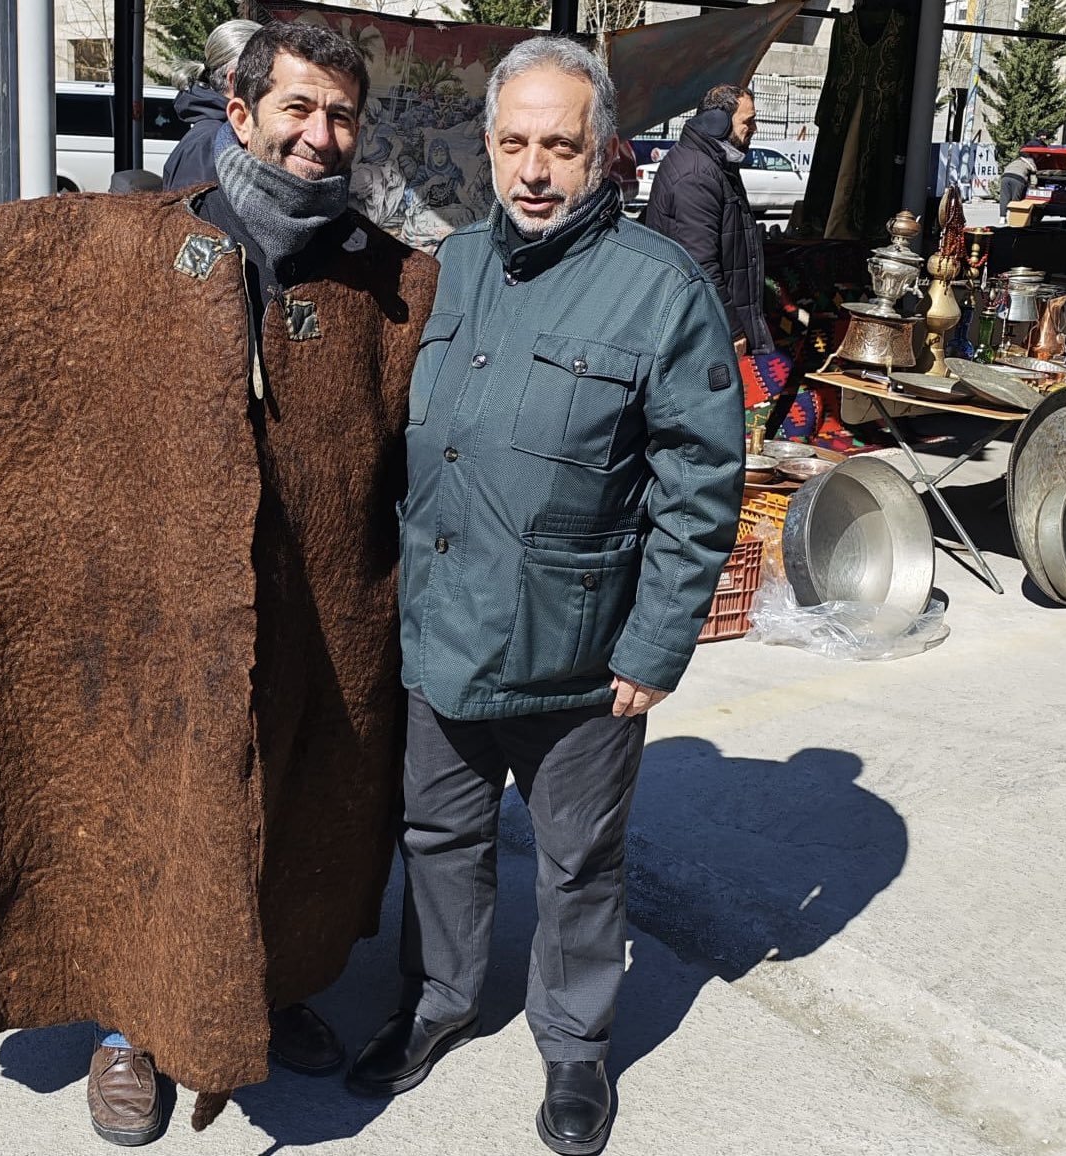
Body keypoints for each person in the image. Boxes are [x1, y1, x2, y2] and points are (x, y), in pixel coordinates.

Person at [0, 20, 440, 1147]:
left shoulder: (384, 278)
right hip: (164, 604)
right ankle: (130, 1030)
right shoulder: (148, 245)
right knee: (153, 809)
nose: (320, 134)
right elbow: (15, 278)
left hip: (315, 605)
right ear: (240, 114)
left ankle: (266, 989)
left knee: (295, 807)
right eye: (297, 108)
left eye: (341, 115)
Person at [344, 37, 745, 1156]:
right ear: (487, 145)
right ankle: (439, 998)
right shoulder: (449, 266)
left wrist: (657, 642)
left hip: (579, 651)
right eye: (514, 143)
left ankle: (574, 1044)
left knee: (578, 863)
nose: (533, 170)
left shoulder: (660, 290)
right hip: (442, 629)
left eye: (559, 146)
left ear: (604, 150)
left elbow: (701, 483)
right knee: (439, 834)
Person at [645, 82, 773, 357]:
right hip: (706, 330)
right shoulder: (697, 175)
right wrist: (732, 328)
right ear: (718, 122)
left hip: (707, 324)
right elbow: (700, 263)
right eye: (748, 121)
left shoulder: (714, 164)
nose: (754, 129)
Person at [162, 18, 260, 190]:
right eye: (268, 79)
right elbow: (192, 207)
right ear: (236, 80)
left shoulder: (223, 134)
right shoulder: (208, 144)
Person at [998, 139, 1041, 225]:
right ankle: (1012, 217)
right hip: (1018, 178)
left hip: (1005, 177)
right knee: (1016, 199)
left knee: (1004, 197)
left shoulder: (1016, 160)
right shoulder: (1030, 161)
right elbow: (1033, 173)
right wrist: (1034, 186)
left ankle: (1002, 218)